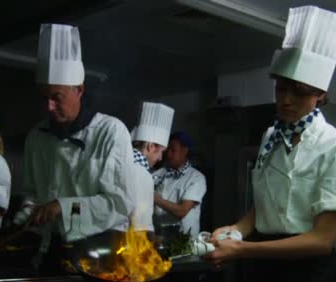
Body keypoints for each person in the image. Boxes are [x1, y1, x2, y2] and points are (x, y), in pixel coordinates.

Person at [204, 6, 336, 282]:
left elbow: (321, 240)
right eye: (281, 89)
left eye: (299, 92)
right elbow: (263, 206)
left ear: (321, 95)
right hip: (263, 268)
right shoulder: (270, 136)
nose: (286, 100)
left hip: (309, 278)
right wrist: (237, 231)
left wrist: (243, 250)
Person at [14, 23, 135, 268]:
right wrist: (26, 212)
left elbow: (119, 203)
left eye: (56, 98)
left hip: (101, 251)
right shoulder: (37, 136)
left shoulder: (110, 131)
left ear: (79, 90)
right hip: (53, 248)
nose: (48, 107)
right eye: (44, 98)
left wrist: (63, 206)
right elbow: (32, 192)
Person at [129, 102, 174, 231]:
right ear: (150, 146)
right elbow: (141, 224)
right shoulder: (141, 174)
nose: (160, 158)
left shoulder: (123, 161)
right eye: (161, 152)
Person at [152, 131, 207, 237]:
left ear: (184, 151)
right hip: (158, 238)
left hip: (183, 242)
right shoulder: (158, 174)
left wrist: (157, 199)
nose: (168, 154)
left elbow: (182, 211)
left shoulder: (196, 178)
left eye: (173, 150)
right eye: (168, 150)